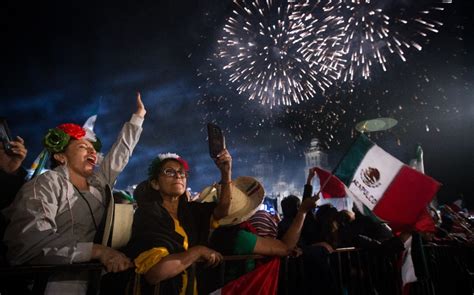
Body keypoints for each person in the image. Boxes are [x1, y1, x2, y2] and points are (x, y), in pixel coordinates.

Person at [2, 93, 146, 294]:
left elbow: (119, 156)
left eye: (93, 149)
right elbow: (29, 243)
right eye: (82, 147)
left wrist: (138, 117)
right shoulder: (46, 184)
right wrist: (96, 251)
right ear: (60, 156)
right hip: (47, 285)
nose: (93, 152)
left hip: (90, 282)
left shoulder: (97, 187)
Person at [122, 150, 233, 295]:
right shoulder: (148, 214)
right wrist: (198, 251)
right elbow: (155, 273)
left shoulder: (191, 211)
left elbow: (222, 211)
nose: (178, 176)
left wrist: (226, 173)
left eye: (182, 173)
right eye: (169, 172)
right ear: (155, 184)